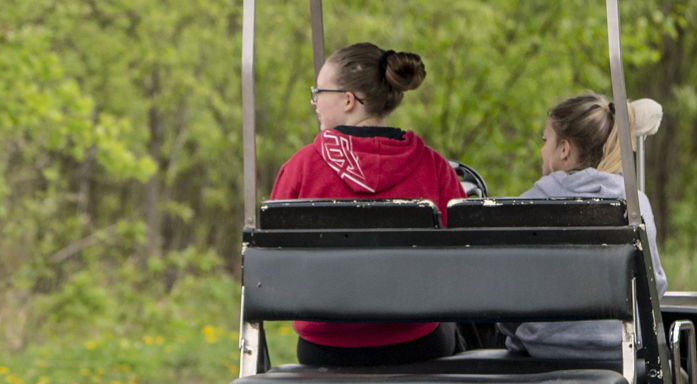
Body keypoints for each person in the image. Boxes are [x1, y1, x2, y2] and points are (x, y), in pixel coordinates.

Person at [271, 42, 465, 366]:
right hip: (417, 342)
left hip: (325, 347)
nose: (313, 101)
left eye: (319, 91)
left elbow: (274, 262)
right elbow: (465, 259)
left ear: (348, 100)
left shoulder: (302, 167)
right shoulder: (433, 167)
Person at [501, 92, 668, 360]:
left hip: (542, 350)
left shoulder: (530, 202)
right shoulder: (635, 204)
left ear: (564, 149)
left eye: (546, 141)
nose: (543, 150)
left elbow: (507, 290)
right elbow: (654, 285)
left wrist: (520, 334)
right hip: (620, 350)